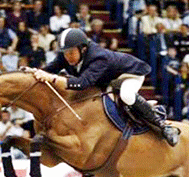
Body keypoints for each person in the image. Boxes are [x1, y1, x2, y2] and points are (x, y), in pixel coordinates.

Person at [33, 28, 180, 146]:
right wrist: (33, 72)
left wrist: (52, 79)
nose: (67, 56)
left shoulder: (98, 57)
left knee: (126, 95)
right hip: (108, 80)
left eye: (71, 52)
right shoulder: (68, 54)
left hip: (129, 75)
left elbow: (82, 84)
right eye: (65, 53)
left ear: (83, 48)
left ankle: (164, 127)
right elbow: (49, 68)